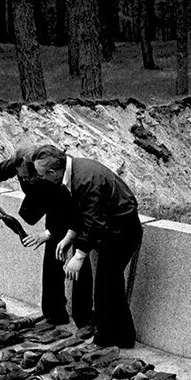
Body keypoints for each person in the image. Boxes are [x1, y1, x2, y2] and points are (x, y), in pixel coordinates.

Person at [31, 145, 141, 349]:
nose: (42, 179)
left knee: (106, 287)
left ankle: (107, 340)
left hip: (122, 231)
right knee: (110, 285)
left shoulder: (86, 179)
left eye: (42, 175)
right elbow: (81, 212)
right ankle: (124, 338)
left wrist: (79, 256)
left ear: (52, 172)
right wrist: (70, 236)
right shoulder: (74, 172)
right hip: (112, 228)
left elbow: (94, 222)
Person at [0, 145, 93, 329]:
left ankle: (84, 319)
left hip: (74, 213)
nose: (24, 179)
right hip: (49, 207)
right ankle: (55, 314)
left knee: (78, 263)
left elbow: (70, 209)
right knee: (52, 261)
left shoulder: (53, 175)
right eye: (21, 177)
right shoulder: (19, 162)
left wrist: (48, 234)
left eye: (29, 177)